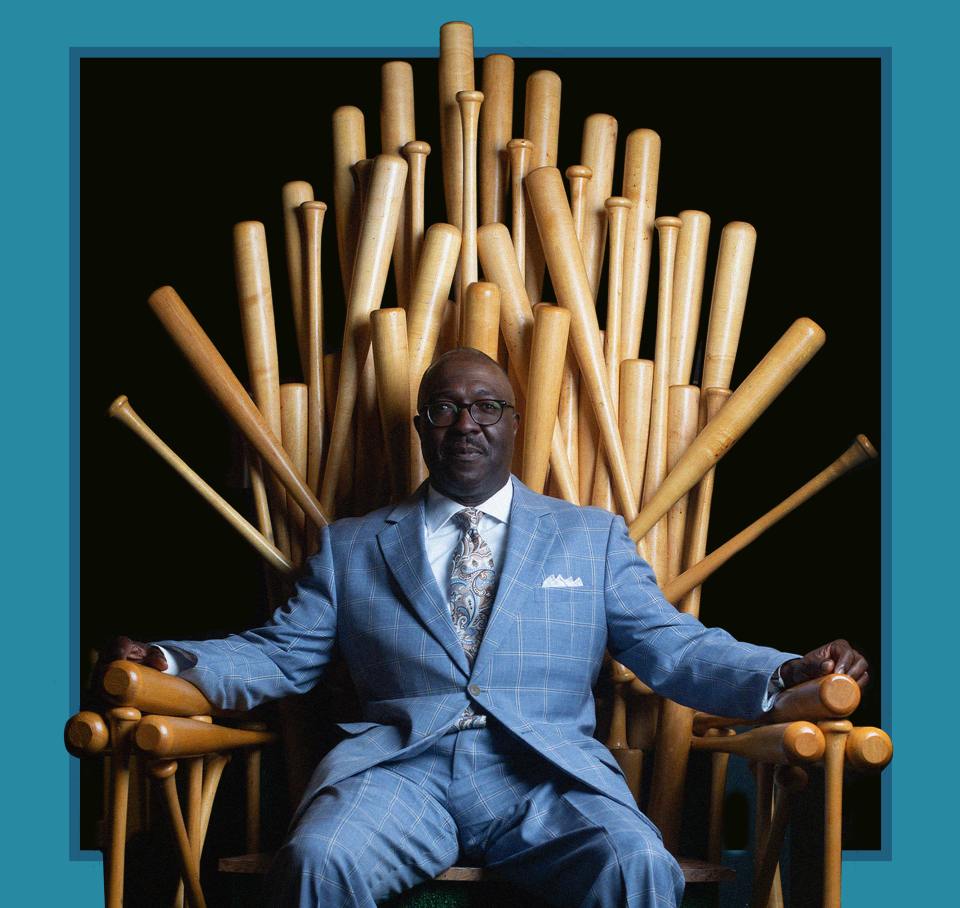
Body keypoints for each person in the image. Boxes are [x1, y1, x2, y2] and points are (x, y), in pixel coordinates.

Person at [99, 347, 869, 908]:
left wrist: (786, 671)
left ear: (512, 422)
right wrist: (170, 658)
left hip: (545, 775)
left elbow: (673, 648)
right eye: (446, 407)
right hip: (400, 773)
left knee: (638, 863)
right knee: (316, 860)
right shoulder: (352, 544)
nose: (466, 422)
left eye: (486, 407)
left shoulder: (589, 537)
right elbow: (280, 656)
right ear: (422, 426)